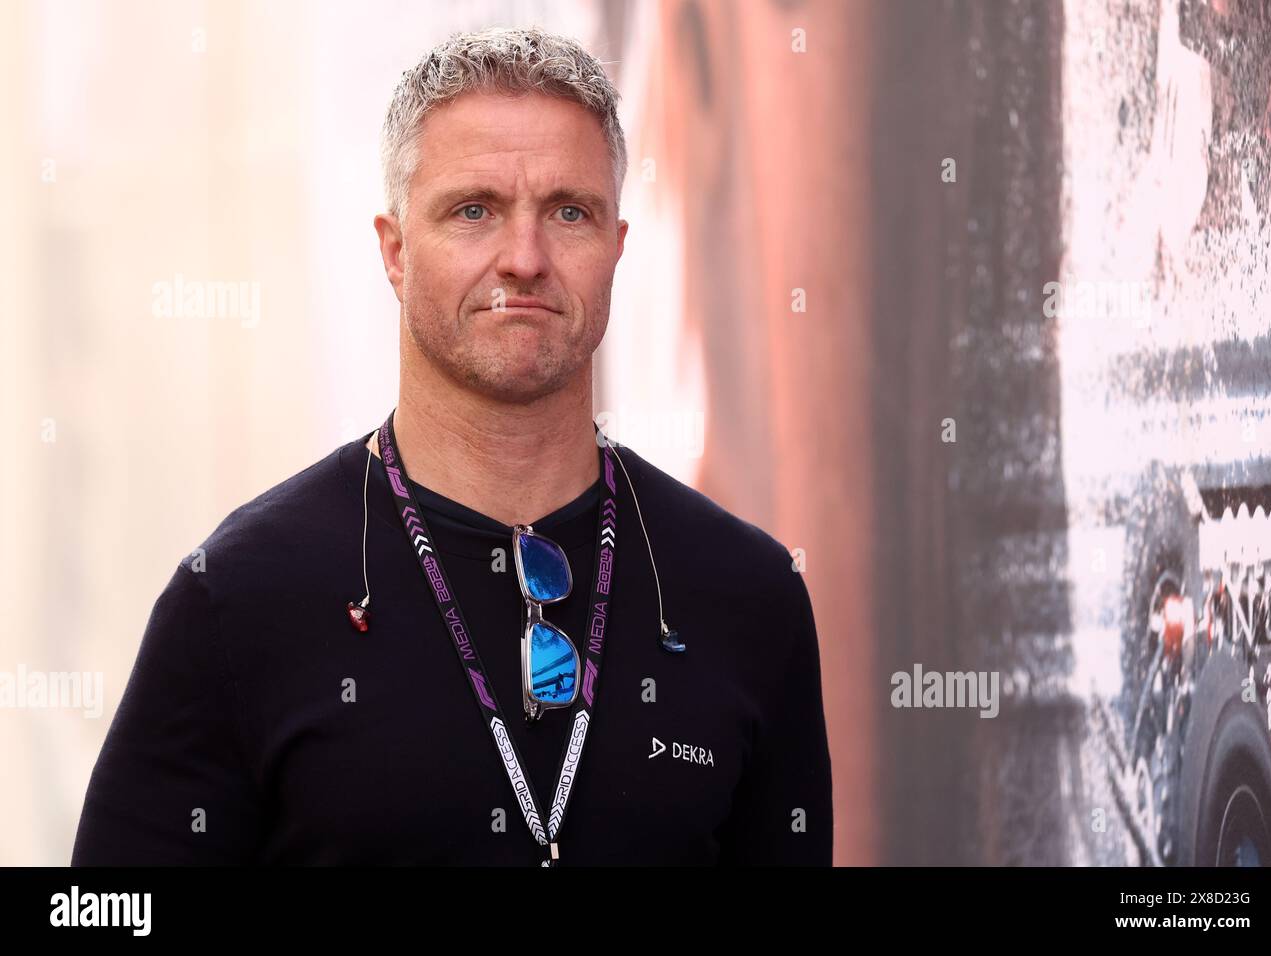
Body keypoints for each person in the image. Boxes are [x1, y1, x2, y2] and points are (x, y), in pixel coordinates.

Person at [71, 25, 833, 866]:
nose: (525, 258)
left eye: (568, 212)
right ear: (395, 251)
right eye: (474, 210)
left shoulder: (748, 596)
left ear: (617, 249)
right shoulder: (239, 601)